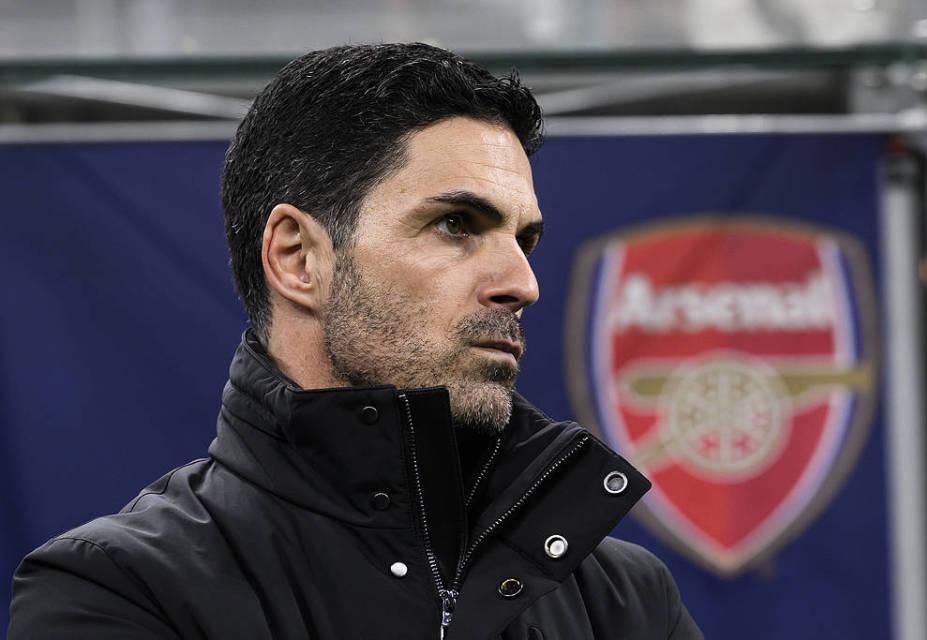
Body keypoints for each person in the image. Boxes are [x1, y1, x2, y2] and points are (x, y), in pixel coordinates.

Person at [8, 43, 702, 639]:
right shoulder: (118, 590)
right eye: (456, 224)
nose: (523, 283)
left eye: (524, 239)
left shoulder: (625, 601)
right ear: (298, 259)